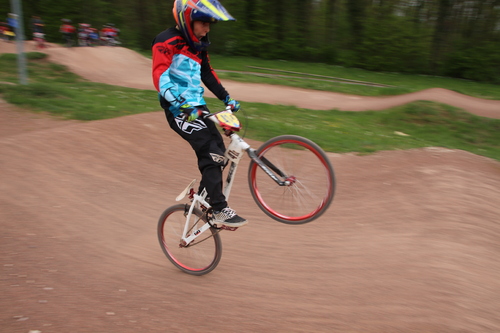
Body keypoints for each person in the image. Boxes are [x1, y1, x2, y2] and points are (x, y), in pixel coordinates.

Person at [151, 0, 247, 228]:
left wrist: (226, 98)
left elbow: (207, 74)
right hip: (179, 110)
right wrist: (181, 105)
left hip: (198, 107)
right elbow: (160, 76)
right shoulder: (166, 40)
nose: (208, 28)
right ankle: (219, 208)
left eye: (210, 23)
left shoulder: (199, 45)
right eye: (204, 23)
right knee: (211, 153)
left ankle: (203, 198)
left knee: (220, 153)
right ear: (187, 20)